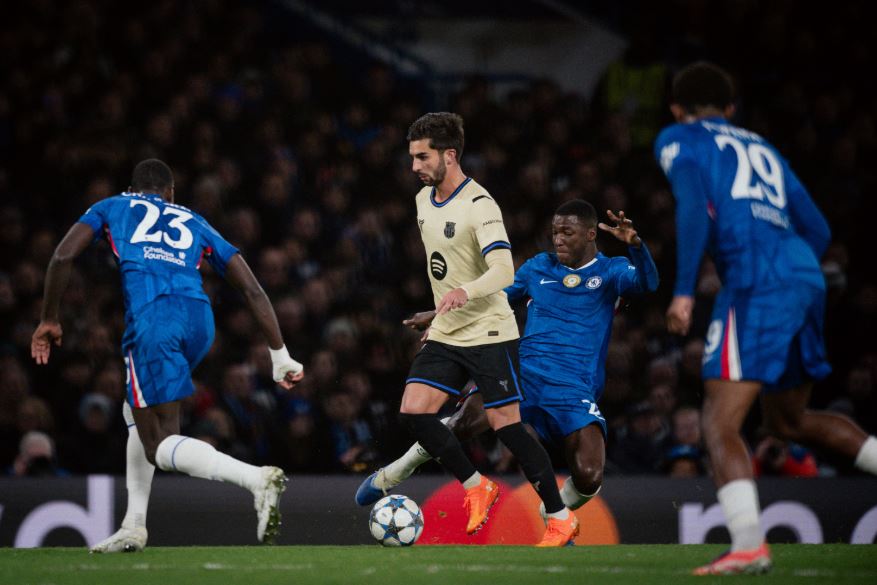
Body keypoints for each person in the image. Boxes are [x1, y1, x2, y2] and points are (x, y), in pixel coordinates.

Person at [656, 62, 877, 575]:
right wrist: (792, 272)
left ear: (677, 109)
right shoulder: (765, 148)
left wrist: (684, 292)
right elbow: (817, 229)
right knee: (789, 421)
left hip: (756, 281)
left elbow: (692, 207)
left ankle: (749, 545)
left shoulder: (679, 137)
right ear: (730, 108)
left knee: (719, 421)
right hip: (803, 276)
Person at [30, 159, 305, 552]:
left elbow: (62, 256)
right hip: (199, 321)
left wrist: (49, 318)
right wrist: (280, 354)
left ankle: (257, 480)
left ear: (133, 189)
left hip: (153, 320)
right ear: (170, 193)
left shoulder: (112, 206)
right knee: (135, 408)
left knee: (159, 444)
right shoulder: (194, 219)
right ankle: (133, 525)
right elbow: (252, 289)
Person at [356, 199, 659, 529]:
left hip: (573, 388)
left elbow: (649, 284)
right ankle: (394, 472)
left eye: (567, 233)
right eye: (555, 232)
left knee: (589, 476)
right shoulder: (538, 267)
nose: (558, 239)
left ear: (590, 234)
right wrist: (437, 313)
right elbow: (491, 298)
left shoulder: (612, 270)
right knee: (461, 424)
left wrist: (637, 246)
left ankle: (552, 512)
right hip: (523, 373)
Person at [380, 112, 577, 546]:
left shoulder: (480, 205)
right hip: (449, 330)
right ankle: (476, 486)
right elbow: (446, 268)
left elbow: (504, 270)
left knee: (507, 427)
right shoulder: (422, 200)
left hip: (490, 331)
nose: (414, 166)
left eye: (423, 157)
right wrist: (437, 312)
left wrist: (463, 293)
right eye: (412, 157)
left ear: (450, 156)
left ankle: (560, 517)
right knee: (413, 411)